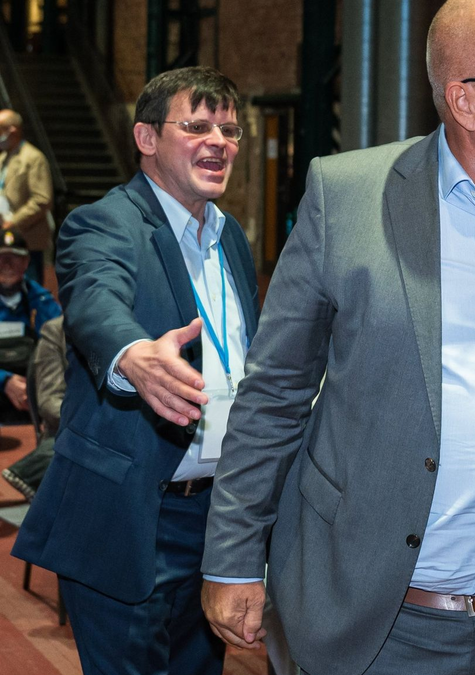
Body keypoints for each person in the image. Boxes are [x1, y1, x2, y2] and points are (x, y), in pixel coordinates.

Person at [199, 1, 475, 674]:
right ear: (463, 100)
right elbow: (275, 394)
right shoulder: (345, 196)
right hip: (386, 623)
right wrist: (232, 556)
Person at [13, 66, 258, 675]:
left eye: (230, 130)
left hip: (217, 520)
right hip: (131, 520)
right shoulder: (105, 223)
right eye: (197, 125)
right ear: (146, 138)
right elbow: (96, 301)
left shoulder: (232, 240)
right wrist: (131, 354)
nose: (219, 142)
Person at [1, 314, 65, 499]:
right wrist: (4, 379)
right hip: (71, 430)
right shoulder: (58, 329)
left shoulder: (37, 298)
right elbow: (49, 402)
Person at [0, 229, 61, 424]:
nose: (7, 264)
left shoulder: (41, 300)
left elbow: (60, 345)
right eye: (2, 257)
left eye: (15, 258)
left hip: (33, 389)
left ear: (26, 262)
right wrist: (5, 380)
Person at [0, 109, 54, 285]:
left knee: (29, 289)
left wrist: (13, 222)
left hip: (28, 240)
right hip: (5, 239)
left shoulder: (33, 158)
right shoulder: (3, 158)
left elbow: (42, 199)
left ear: (12, 130)